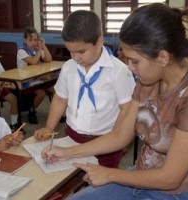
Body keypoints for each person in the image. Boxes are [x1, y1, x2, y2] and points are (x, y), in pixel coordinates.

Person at [41, 3, 188, 199]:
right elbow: (120, 135)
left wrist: (110, 173)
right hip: (140, 177)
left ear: (163, 57)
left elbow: (170, 178)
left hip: (179, 193)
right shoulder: (148, 82)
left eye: (135, 61)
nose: (129, 68)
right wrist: (68, 152)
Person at [35, 10, 135, 168]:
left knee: (102, 183)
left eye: (81, 51)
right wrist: (49, 126)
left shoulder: (119, 70)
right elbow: (60, 98)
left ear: (99, 41)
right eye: (70, 51)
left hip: (104, 141)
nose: (75, 57)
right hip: (72, 136)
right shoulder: (69, 67)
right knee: (73, 178)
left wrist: (116, 137)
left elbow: (126, 108)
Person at [17, 27, 54, 124]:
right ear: (25, 40)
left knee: (56, 90)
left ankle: (56, 113)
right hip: (25, 81)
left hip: (38, 79)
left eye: (36, 40)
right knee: (41, 93)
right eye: (30, 40)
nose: (33, 42)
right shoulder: (21, 51)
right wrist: (40, 49)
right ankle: (32, 111)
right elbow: (33, 61)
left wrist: (43, 46)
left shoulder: (38, 50)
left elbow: (49, 60)